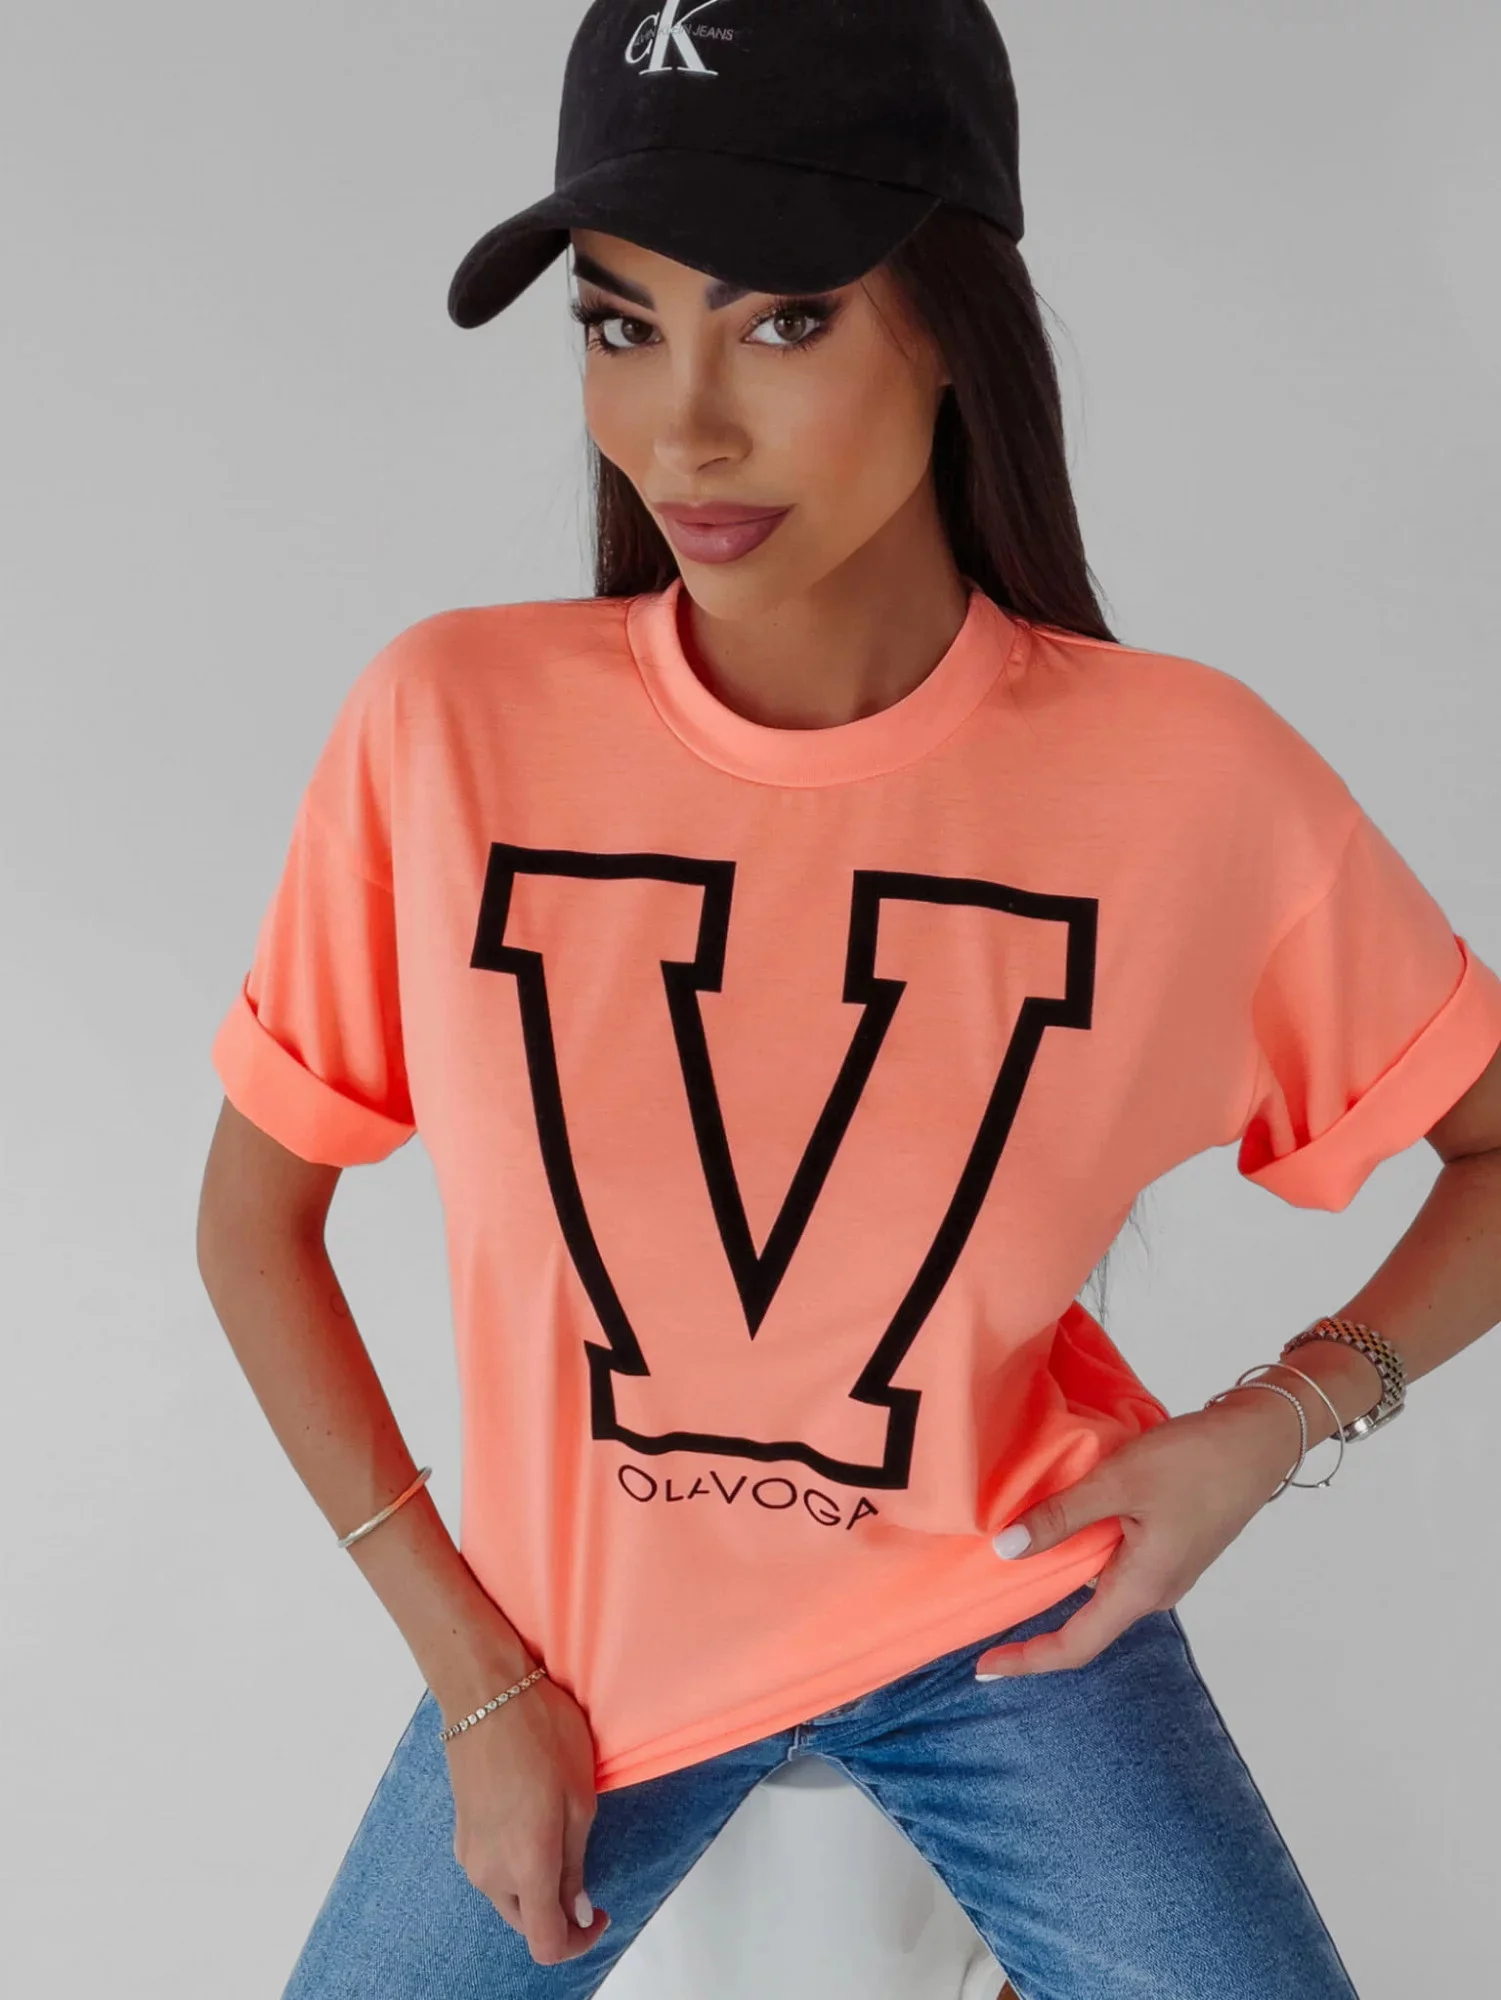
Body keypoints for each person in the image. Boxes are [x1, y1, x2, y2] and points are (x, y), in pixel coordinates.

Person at [195, 4, 1501, 1997]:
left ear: (955, 327)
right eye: (620, 323)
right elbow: (251, 1224)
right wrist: (476, 1681)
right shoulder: (445, 725)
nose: (683, 428)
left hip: (1010, 1630)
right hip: (578, 1663)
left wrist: (1276, 1422)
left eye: (784, 321)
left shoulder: (1188, 779)